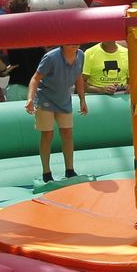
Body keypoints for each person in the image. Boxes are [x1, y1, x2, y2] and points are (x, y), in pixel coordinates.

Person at [26, 43, 88, 183]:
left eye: (77, 40)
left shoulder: (80, 55)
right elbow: (35, 78)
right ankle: (46, 173)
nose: (74, 44)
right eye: (70, 41)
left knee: (67, 133)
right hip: (45, 99)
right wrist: (30, 98)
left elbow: (78, 77)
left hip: (64, 99)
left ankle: (70, 170)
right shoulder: (51, 57)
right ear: (63, 43)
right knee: (47, 134)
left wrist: (82, 99)